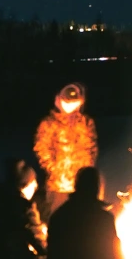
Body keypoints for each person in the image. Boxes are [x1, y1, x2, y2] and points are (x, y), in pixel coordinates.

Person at [34, 83, 98, 217]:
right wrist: (54, 169)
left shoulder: (86, 122)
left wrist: (87, 171)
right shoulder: (48, 123)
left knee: (81, 219)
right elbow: (41, 149)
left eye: (73, 102)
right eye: (66, 102)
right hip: (58, 185)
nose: (69, 106)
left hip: (80, 184)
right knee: (58, 218)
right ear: (58, 100)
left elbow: (92, 147)